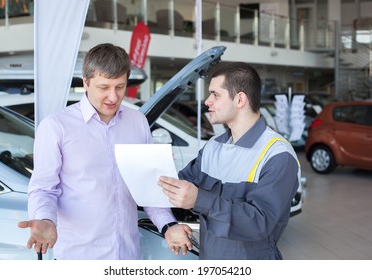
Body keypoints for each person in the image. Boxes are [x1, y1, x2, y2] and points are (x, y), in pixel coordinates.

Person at [18, 43, 192, 260]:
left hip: (129, 256)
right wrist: (45, 219)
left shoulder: (137, 122)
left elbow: (147, 186)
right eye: (104, 87)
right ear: (86, 82)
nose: (113, 97)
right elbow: (43, 188)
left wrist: (168, 225)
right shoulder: (56, 127)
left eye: (120, 87)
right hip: (79, 259)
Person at [158, 62, 301, 260]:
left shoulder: (277, 154)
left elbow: (260, 222)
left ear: (240, 99)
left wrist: (199, 199)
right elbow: (177, 186)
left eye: (215, 94)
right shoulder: (213, 147)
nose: (207, 101)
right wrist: (161, 169)